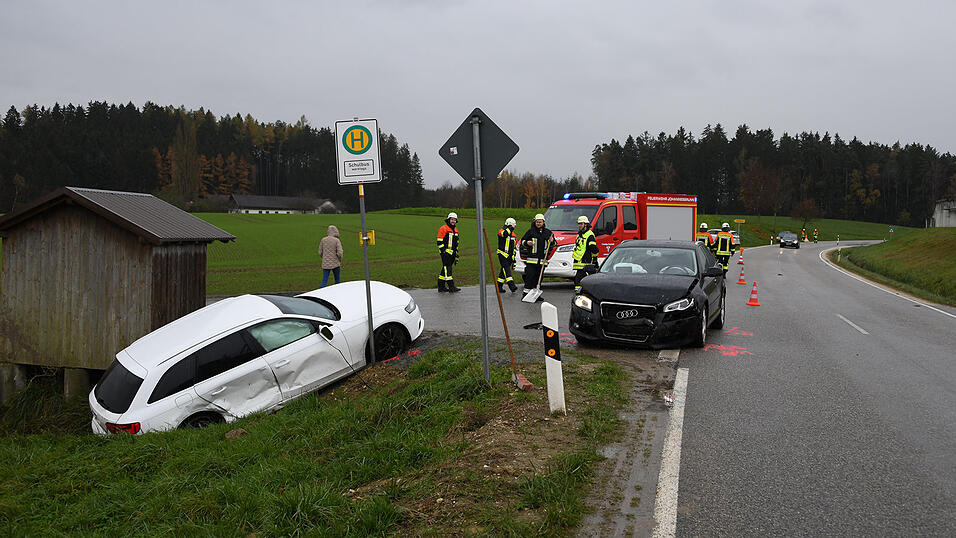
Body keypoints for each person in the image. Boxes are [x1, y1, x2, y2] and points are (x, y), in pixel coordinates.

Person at [519, 213, 556, 300]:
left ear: (543, 222)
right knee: (529, 277)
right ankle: (525, 294)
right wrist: (527, 243)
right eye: (537, 222)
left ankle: (536, 294)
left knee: (538, 279)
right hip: (532, 261)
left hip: (542, 261)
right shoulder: (530, 231)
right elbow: (522, 241)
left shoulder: (548, 233)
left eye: (540, 222)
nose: (538, 223)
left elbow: (554, 244)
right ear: (535, 222)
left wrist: (553, 241)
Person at [572, 215, 599, 293]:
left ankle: (581, 294)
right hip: (579, 261)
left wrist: (594, 260)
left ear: (586, 224)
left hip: (585, 261)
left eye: (581, 224)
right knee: (578, 279)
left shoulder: (589, 235)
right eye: (579, 224)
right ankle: (580, 294)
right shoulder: (579, 235)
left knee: (581, 279)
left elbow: (594, 249)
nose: (579, 225)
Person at [436, 211, 461, 292]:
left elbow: (456, 242)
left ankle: (441, 287)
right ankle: (451, 287)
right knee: (448, 269)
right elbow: (439, 241)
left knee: (444, 270)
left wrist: (456, 252)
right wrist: (443, 251)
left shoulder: (455, 230)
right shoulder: (443, 228)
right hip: (445, 253)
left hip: (452, 253)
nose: (453, 221)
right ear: (448, 219)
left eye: (454, 219)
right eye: (452, 219)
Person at [496, 217, 519, 293]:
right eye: (513, 225)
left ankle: (499, 286)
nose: (514, 227)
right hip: (502, 254)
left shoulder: (513, 235)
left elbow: (514, 247)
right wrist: (510, 228)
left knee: (503, 271)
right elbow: (505, 234)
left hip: (509, 256)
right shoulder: (501, 231)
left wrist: (513, 259)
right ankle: (511, 286)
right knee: (506, 269)